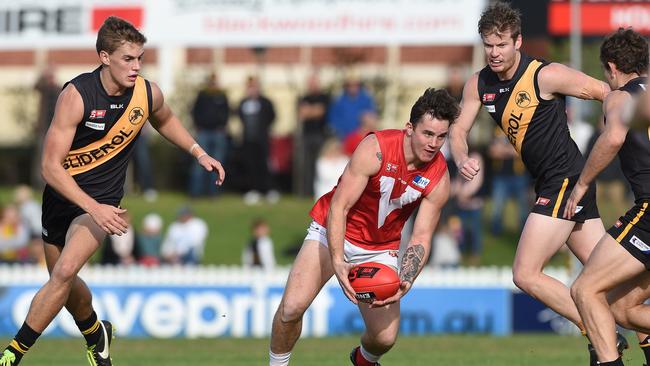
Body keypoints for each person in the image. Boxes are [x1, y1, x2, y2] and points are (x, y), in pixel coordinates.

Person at [0, 16, 224, 366]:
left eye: (140, 59)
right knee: (65, 284)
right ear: (105, 57)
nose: (136, 67)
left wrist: (199, 152)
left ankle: (12, 354)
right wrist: (91, 205)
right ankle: (95, 334)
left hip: (100, 204)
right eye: (128, 59)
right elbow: (50, 168)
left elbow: (164, 118)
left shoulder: (147, 93)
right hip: (61, 198)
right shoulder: (77, 95)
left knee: (63, 273)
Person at [448, 2, 626, 363]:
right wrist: (463, 154)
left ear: (518, 42)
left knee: (525, 274)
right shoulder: (479, 83)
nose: (494, 52)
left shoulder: (545, 75)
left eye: (501, 44)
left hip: (564, 181)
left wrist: (617, 128)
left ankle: (598, 330)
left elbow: (609, 92)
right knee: (612, 283)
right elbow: (458, 129)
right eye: (488, 45)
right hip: (560, 183)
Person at [269, 88, 457, 366]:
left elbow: (421, 236)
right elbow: (339, 207)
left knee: (385, 338)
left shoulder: (439, 177)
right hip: (333, 230)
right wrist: (338, 259)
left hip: (380, 248)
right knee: (292, 308)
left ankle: (364, 360)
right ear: (409, 128)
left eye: (441, 137)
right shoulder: (376, 150)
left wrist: (406, 280)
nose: (434, 143)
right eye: (427, 134)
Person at [566, 28, 650, 366]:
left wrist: (583, 183)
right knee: (623, 308)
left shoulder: (622, 96)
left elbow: (613, 138)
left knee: (584, 290)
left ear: (612, 68)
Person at [189, 72, 230, 197]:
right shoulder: (202, 95)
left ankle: (214, 192)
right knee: (199, 162)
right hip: (204, 133)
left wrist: (222, 126)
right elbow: (195, 111)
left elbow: (227, 112)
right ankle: (196, 193)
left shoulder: (222, 96)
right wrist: (198, 126)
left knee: (217, 164)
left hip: (218, 133)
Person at [238, 76, 277, 205]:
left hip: (262, 139)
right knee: (250, 165)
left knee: (264, 164)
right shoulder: (243, 102)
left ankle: (268, 190)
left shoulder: (265, 102)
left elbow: (272, 116)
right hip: (248, 140)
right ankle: (253, 190)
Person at [296, 73, 330, 197]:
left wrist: (310, 111)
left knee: (319, 164)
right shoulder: (304, 98)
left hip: (320, 135)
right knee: (306, 165)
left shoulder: (324, 97)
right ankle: (306, 192)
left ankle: (319, 191)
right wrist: (314, 110)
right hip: (307, 136)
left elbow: (320, 112)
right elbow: (302, 114)